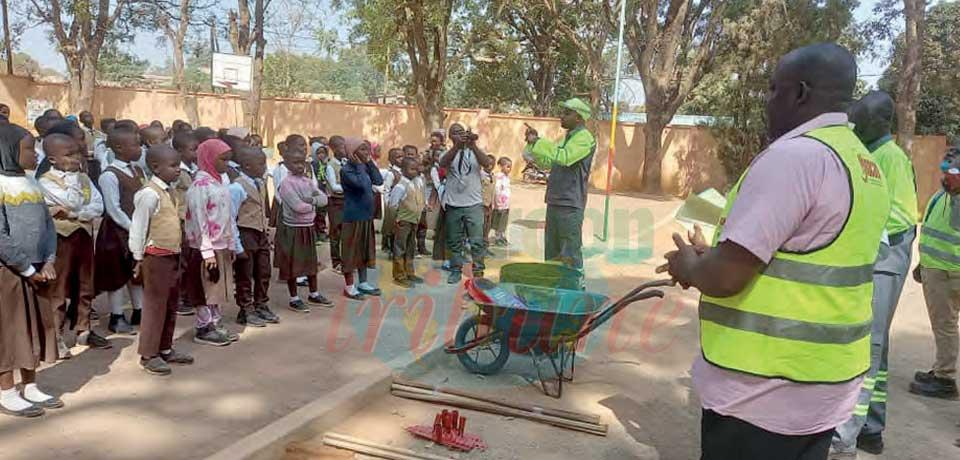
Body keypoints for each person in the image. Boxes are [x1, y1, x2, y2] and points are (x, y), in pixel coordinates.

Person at [661, 43, 890, 460]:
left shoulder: (796, 158)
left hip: (765, 389)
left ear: (800, 93)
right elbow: (802, 256)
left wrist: (691, 265)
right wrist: (710, 256)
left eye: (773, 90)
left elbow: (726, 277)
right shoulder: (862, 161)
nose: (767, 102)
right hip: (823, 382)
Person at [831, 91, 919, 457]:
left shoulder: (891, 158)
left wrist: (859, 229)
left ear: (881, 122)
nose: (855, 125)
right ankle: (871, 426)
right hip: (875, 257)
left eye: (861, 119)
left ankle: (844, 436)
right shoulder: (868, 153)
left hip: (885, 259)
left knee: (869, 345)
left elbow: (902, 215)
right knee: (876, 347)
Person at [0, 123, 63, 418]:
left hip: (38, 269)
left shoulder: (32, 183)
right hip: (10, 272)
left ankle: (31, 383)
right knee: (10, 331)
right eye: (28, 149)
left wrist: (49, 259)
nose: (35, 154)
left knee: (35, 326)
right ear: (8, 150)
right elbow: (1, 237)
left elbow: (48, 226)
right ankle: (7, 391)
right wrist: (25, 268)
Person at [36, 134, 110, 358]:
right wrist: (77, 209)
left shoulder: (84, 179)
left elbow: (97, 206)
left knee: (86, 284)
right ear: (52, 159)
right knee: (58, 288)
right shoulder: (46, 182)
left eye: (77, 152)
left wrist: (74, 214)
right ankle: (55, 336)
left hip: (83, 237)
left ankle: (83, 329)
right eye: (69, 155)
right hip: (61, 239)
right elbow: (72, 200)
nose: (76, 158)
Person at [128, 145, 195, 375]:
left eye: (179, 165)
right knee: (155, 306)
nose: (178, 170)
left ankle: (165, 347)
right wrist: (137, 256)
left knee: (170, 303)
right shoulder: (149, 194)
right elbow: (138, 227)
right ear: (156, 167)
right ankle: (149, 354)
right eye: (173, 166)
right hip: (155, 258)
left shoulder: (170, 191)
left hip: (172, 255)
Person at [523, 98, 597, 271]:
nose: (561, 116)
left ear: (579, 118)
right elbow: (550, 162)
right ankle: (554, 289)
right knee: (553, 252)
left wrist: (538, 142)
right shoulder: (567, 138)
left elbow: (565, 158)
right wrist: (533, 146)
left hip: (570, 204)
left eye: (566, 113)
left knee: (569, 253)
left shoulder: (584, 138)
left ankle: (575, 291)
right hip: (556, 201)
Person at [910, 148, 960, 401]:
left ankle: (945, 378)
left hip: (949, 271)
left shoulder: (954, 194)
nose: (947, 165)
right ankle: (942, 369)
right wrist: (922, 264)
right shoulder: (944, 191)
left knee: (946, 325)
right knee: (945, 325)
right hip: (936, 267)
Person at [184, 139, 241, 347]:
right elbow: (200, 220)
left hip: (221, 244)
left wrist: (231, 243)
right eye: (223, 159)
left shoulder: (219, 183)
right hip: (204, 247)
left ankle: (215, 324)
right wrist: (206, 251)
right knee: (204, 287)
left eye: (228, 160)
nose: (227, 164)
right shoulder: (200, 186)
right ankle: (203, 327)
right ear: (209, 158)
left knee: (217, 287)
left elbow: (228, 216)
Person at [96, 127, 145, 335]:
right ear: (118, 148)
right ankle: (116, 316)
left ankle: (139, 310)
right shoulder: (109, 175)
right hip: (117, 233)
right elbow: (114, 208)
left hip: (136, 230)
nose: (140, 148)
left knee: (136, 273)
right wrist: (133, 227)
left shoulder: (137, 170)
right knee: (117, 275)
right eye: (135, 145)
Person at [275, 147, 332, 311]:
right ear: (286, 164)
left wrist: (311, 201)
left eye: (302, 163)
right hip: (293, 228)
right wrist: (313, 203)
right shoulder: (286, 184)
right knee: (293, 264)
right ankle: (294, 298)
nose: (300, 166)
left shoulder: (307, 181)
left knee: (310, 263)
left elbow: (324, 199)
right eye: (295, 163)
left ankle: (314, 294)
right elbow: (297, 206)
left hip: (308, 227)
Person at [439, 123, 493, 284]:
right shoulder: (448, 152)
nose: (459, 135)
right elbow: (443, 163)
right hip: (453, 204)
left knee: (476, 241)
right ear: (450, 136)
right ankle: (456, 269)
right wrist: (457, 146)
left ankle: (478, 272)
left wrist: (473, 145)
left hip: (474, 204)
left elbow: (487, 163)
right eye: (455, 133)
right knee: (454, 241)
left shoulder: (474, 151)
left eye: (462, 133)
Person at [232, 147, 278, 325]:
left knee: (263, 270)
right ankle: (245, 308)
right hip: (245, 232)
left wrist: (266, 228)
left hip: (260, 232)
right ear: (247, 166)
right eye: (261, 163)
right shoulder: (237, 186)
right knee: (245, 272)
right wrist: (236, 244)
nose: (265, 166)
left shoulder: (260, 181)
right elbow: (232, 215)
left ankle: (261, 304)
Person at [340, 138, 383, 299]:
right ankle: (350, 286)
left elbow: (378, 180)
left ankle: (363, 282)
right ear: (353, 152)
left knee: (364, 250)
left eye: (367, 150)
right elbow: (362, 185)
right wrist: (359, 165)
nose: (367, 153)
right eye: (363, 150)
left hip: (366, 216)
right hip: (352, 217)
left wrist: (369, 163)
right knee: (351, 252)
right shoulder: (347, 170)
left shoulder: (365, 166)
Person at [389, 156, 427, 288]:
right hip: (403, 221)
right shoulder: (401, 186)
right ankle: (399, 275)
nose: (415, 171)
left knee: (411, 247)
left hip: (414, 220)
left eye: (416, 169)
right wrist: (396, 219)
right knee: (400, 248)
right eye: (411, 169)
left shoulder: (417, 182)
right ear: (403, 170)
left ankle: (409, 272)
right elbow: (393, 204)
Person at [173, 130, 199, 316]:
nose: (196, 153)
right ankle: (181, 297)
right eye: (192, 149)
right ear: (180, 151)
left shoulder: (194, 169)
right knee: (182, 260)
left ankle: (189, 293)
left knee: (191, 259)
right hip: (182, 219)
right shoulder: (178, 172)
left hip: (193, 220)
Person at [326, 135, 348, 273]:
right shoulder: (330, 166)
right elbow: (334, 187)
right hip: (335, 202)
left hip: (346, 201)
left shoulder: (346, 163)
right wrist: (351, 187)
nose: (344, 149)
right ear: (333, 149)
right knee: (336, 232)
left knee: (346, 231)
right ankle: (336, 262)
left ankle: (346, 259)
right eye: (341, 146)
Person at [380, 148, 403, 253]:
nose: (401, 159)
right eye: (398, 157)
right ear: (391, 160)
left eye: (402, 156)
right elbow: (387, 190)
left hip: (403, 205)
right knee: (392, 227)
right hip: (393, 205)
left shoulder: (405, 172)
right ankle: (390, 248)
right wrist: (388, 204)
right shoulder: (391, 174)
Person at [492, 157, 512, 247]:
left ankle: (502, 235)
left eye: (510, 167)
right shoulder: (499, 177)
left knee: (504, 221)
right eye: (507, 166)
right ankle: (498, 237)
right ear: (501, 166)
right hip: (500, 204)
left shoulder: (507, 177)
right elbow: (497, 191)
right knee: (498, 221)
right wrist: (498, 204)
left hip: (506, 204)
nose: (509, 169)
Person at [481, 154, 497, 256]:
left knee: (487, 227)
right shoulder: (480, 176)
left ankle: (485, 247)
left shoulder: (493, 176)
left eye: (492, 164)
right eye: (488, 164)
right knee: (480, 228)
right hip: (481, 205)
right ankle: (478, 249)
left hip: (490, 205)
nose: (490, 166)